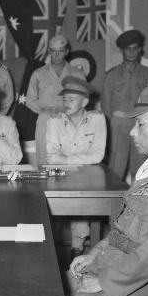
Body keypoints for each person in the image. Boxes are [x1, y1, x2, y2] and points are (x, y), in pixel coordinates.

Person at [66, 83, 148, 296]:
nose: (132, 132)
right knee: (45, 289)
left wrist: (103, 282)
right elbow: (124, 232)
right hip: (113, 270)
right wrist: (93, 255)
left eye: (141, 124)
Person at [46, 76, 106, 260]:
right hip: (59, 177)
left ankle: (77, 249)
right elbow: (51, 155)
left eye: (71, 99)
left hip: (86, 177)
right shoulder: (54, 121)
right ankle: (48, 250)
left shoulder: (97, 120)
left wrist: (64, 159)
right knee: (47, 208)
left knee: (81, 202)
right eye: (64, 99)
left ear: (85, 102)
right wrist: (67, 160)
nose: (66, 103)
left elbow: (98, 156)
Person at [101, 29, 148, 182]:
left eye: (135, 48)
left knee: (141, 165)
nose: (131, 52)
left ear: (139, 50)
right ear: (121, 50)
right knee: (115, 167)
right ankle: (112, 202)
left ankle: (137, 201)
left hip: (140, 123)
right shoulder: (111, 75)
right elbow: (105, 105)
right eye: (128, 49)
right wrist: (113, 127)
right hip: (118, 124)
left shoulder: (147, 74)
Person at [26, 35, 85, 165]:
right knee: (44, 161)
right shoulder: (38, 73)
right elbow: (30, 100)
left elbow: (84, 100)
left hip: (70, 120)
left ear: (67, 51)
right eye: (53, 51)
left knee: (69, 161)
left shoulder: (77, 74)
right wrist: (46, 112)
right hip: (45, 122)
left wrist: (68, 112)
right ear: (49, 51)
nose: (57, 55)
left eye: (61, 51)